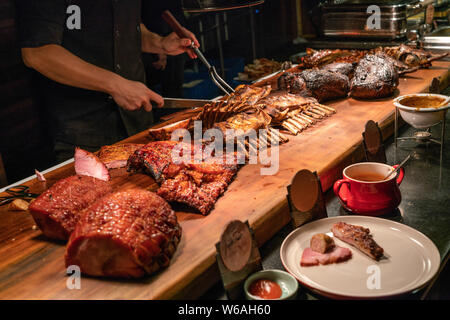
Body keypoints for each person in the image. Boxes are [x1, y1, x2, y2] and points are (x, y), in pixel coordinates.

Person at [16, 0, 199, 162]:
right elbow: (37, 53)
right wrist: (115, 85)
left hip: (137, 120)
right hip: (83, 130)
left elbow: (128, 28)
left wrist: (159, 43)